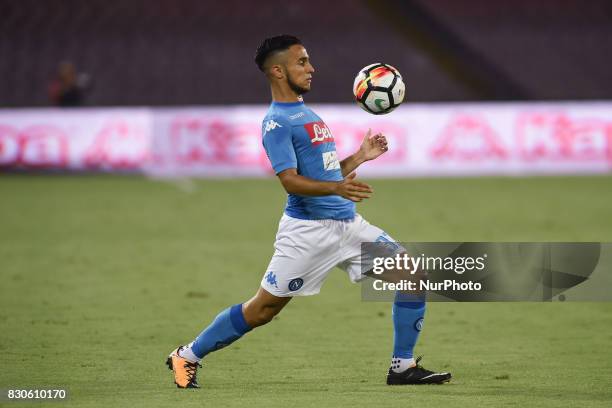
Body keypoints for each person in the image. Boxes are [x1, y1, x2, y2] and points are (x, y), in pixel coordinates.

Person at [166, 35, 451, 388]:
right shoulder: (276, 123)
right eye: (301, 62)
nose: (311, 68)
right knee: (262, 310)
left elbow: (326, 174)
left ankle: (402, 367)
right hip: (307, 233)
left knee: (411, 275)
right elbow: (290, 181)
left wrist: (359, 158)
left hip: (348, 225)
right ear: (278, 70)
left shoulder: (306, 113)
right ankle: (187, 355)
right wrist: (336, 187)